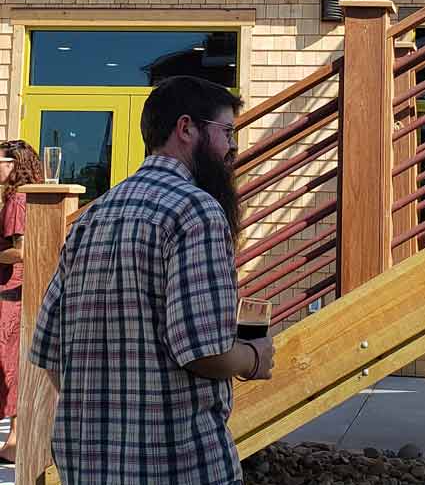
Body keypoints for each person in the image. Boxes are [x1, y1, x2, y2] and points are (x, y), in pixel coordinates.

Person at [30, 76, 275, 485]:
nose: (233, 148)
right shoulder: (196, 211)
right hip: (179, 464)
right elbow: (202, 351)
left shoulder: (95, 215)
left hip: (86, 465)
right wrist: (254, 358)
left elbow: (49, 349)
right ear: (186, 128)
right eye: (228, 132)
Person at [0, 140, 40, 465]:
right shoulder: (26, 197)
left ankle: (14, 440)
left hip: (9, 293)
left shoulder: (17, 200)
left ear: (15, 164)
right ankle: (14, 440)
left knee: (7, 365)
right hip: (18, 292)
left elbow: (21, 251)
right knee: (13, 363)